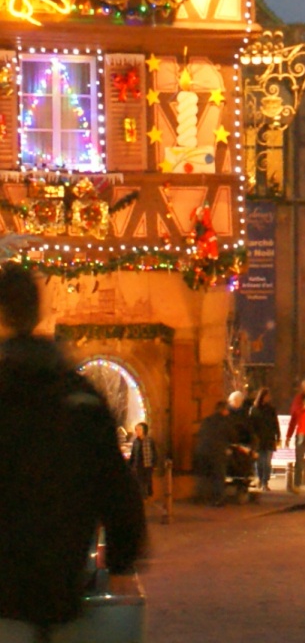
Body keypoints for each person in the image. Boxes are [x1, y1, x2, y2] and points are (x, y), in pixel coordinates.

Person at [0, 262, 146, 636]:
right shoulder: (79, 397)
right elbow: (117, 487)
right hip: (62, 588)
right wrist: (121, 562)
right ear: (38, 312)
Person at [194, 399, 232, 506]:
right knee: (219, 476)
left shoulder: (207, 420)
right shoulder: (225, 421)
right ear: (223, 410)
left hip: (203, 451)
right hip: (217, 452)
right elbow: (232, 435)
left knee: (204, 476)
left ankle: (201, 498)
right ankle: (218, 499)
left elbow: (200, 434)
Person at [250, 387, 281, 491]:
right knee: (259, 462)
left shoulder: (271, 409)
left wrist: (278, 436)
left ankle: (265, 482)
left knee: (267, 462)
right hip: (258, 439)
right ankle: (259, 478)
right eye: (266, 396)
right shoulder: (254, 409)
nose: (268, 398)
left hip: (269, 438)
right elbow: (252, 425)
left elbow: (275, 424)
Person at [130, 420, 158, 498]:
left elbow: (154, 452)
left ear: (144, 430)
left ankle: (149, 494)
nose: (137, 431)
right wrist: (131, 464)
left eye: (139, 430)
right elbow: (133, 454)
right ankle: (143, 495)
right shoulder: (135, 442)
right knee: (140, 481)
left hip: (148, 464)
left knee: (148, 480)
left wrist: (155, 463)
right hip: (138, 464)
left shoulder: (149, 440)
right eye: (136, 430)